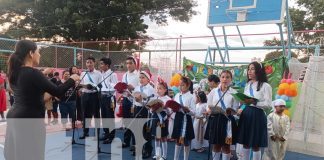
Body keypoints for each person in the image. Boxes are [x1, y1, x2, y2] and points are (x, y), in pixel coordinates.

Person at [4, 40, 79, 160]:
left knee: (17, 154)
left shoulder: (15, 72)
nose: (40, 54)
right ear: (31, 53)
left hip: (15, 116)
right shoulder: (33, 73)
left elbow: (33, 96)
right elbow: (58, 92)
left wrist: (47, 85)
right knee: (33, 154)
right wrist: (72, 79)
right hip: (30, 120)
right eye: (38, 51)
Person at [237, 61, 272, 160]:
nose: (249, 71)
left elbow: (268, 104)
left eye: (252, 69)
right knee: (245, 143)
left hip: (257, 116)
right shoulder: (248, 85)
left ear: (258, 71)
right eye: (249, 69)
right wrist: (241, 108)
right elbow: (245, 101)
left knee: (255, 145)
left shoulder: (265, 86)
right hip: (246, 115)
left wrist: (255, 103)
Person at [205, 70, 239, 160]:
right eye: (223, 77)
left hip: (227, 121)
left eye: (228, 77)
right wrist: (209, 110)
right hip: (215, 120)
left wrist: (231, 112)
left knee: (226, 146)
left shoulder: (234, 93)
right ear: (220, 78)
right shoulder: (214, 91)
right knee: (216, 145)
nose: (225, 79)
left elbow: (235, 109)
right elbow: (208, 105)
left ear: (231, 79)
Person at [132, 70, 156, 158]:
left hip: (146, 111)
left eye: (143, 78)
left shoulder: (151, 89)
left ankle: (148, 150)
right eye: (140, 78)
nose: (141, 79)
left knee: (146, 131)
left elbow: (151, 102)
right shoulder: (137, 87)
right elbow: (134, 98)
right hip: (137, 109)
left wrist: (141, 101)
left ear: (148, 79)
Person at [172, 76, 195, 160]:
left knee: (186, 141)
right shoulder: (177, 95)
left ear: (188, 85)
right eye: (179, 85)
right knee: (177, 140)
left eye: (183, 85)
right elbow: (174, 107)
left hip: (186, 119)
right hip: (178, 118)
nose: (180, 87)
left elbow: (194, 112)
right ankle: (176, 158)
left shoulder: (191, 96)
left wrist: (187, 109)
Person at [79, 56, 102, 139]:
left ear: (94, 63)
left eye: (90, 62)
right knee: (85, 114)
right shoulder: (83, 73)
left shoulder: (98, 73)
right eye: (87, 62)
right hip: (85, 95)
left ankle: (97, 133)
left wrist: (94, 87)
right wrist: (83, 87)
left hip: (94, 95)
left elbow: (101, 86)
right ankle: (85, 132)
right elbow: (80, 85)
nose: (89, 64)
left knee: (96, 114)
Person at [98, 57, 118, 144]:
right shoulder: (101, 74)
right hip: (102, 97)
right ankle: (106, 133)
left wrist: (108, 83)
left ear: (107, 65)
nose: (100, 66)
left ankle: (111, 135)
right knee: (104, 116)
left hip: (110, 98)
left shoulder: (112, 74)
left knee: (110, 117)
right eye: (100, 64)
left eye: (102, 64)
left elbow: (115, 86)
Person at [122, 56, 140, 148]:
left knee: (134, 122)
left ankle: (134, 143)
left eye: (130, 63)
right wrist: (122, 92)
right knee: (126, 121)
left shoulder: (139, 75)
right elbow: (122, 87)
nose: (128, 65)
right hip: (125, 100)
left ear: (135, 64)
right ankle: (126, 141)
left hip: (135, 102)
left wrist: (132, 90)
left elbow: (140, 89)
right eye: (127, 63)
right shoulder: (125, 75)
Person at [151, 79, 171, 160]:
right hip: (155, 118)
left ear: (165, 90)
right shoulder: (155, 97)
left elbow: (170, 111)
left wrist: (164, 108)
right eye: (157, 88)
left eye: (160, 88)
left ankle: (164, 155)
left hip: (163, 119)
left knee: (163, 137)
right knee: (156, 136)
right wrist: (152, 108)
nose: (158, 90)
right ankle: (157, 154)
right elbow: (150, 109)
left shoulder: (167, 99)